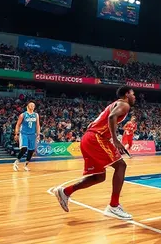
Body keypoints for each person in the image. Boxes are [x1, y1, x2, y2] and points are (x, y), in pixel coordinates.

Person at [53, 86, 135, 220]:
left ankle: (65, 192)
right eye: (133, 94)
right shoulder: (124, 104)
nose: (135, 97)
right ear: (126, 95)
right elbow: (112, 116)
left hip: (89, 138)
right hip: (96, 138)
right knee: (121, 166)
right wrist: (115, 139)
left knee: (99, 177)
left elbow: (104, 118)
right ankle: (113, 206)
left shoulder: (114, 104)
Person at [13, 102, 40, 172]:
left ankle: (25, 165)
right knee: (24, 148)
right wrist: (16, 134)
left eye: (34, 105)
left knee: (31, 150)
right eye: (31, 105)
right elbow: (17, 125)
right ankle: (16, 162)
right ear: (27, 106)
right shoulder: (23, 115)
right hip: (24, 134)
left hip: (32, 134)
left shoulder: (36, 115)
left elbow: (38, 125)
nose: (33, 106)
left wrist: (38, 134)